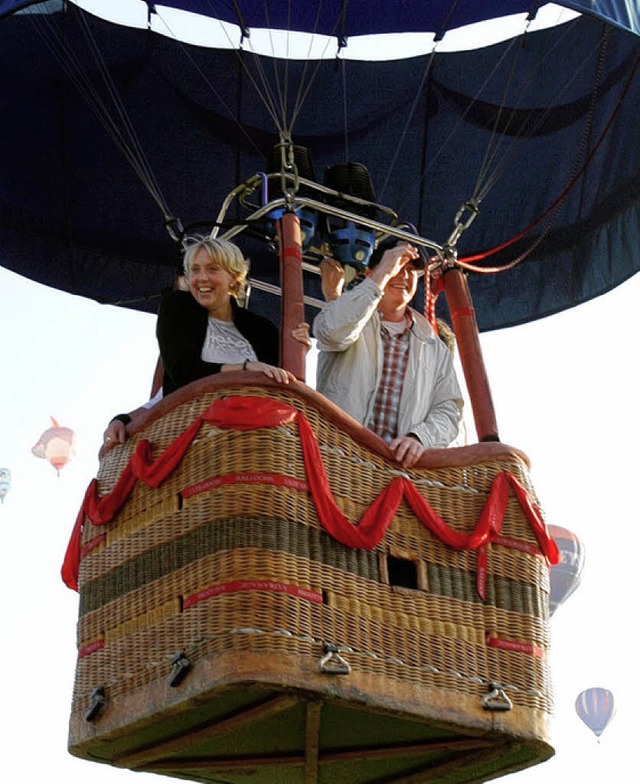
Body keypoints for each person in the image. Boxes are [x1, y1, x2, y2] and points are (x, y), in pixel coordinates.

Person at [102, 236, 310, 450]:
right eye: (194, 270)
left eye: (212, 269)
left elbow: (283, 389)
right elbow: (182, 377)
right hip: (194, 439)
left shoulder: (262, 329)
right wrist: (123, 420)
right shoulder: (178, 310)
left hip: (254, 443)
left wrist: (297, 348)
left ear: (234, 277)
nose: (201, 278)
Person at [313, 238, 463, 468]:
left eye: (412, 271)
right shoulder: (348, 318)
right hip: (338, 463)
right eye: (396, 266)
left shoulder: (434, 347)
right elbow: (330, 332)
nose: (404, 275)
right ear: (373, 273)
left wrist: (420, 437)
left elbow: (449, 408)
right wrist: (381, 276)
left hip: (397, 475)